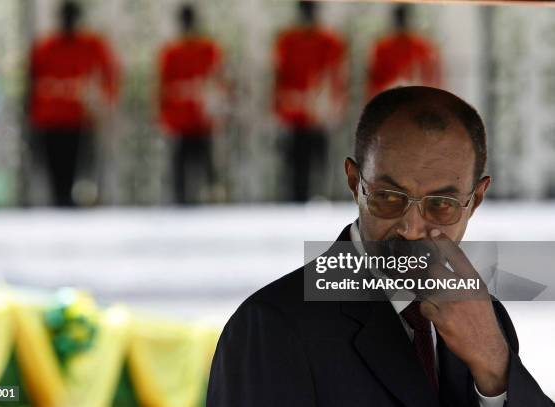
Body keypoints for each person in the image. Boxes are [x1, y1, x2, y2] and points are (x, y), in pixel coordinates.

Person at [207, 87, 554, 406]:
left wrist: (496, 369)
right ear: (355, 182)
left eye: (441, 204)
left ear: (475, 199)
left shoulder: (487, 322)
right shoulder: (273, 327)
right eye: (389, 198)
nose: (412, 229)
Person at [28, 0, 118, 207]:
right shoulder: (45, 48)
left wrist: (102, 100)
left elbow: (111, 75)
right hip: (50, 119)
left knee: (84, 172)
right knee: (57, 175)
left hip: (81, 119)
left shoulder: (93, 45)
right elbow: (34, 85)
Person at [273, 1, 347, 202]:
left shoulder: (329, 41)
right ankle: (296, 199)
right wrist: (281, 106)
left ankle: (320, 197)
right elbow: (280, 76)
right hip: (295, 111)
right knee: (296, 162)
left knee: (319, 160)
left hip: (319, 111)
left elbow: (336, 75)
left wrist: (334, 105)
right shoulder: (288, 41)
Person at [158, 4, 223, 205]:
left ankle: (212, 200)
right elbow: (164, 88)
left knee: (208, 166)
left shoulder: (209, 49)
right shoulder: (171, 52)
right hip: (180, 120)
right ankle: (180, 203)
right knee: (179, 168)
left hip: (202, 119)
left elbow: (218, 79)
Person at [367, 5, 441, 99]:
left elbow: (431, 76)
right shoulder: (382, 47)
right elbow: (375, 78)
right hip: (389, 96)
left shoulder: (422, 46)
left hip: (416, 95)